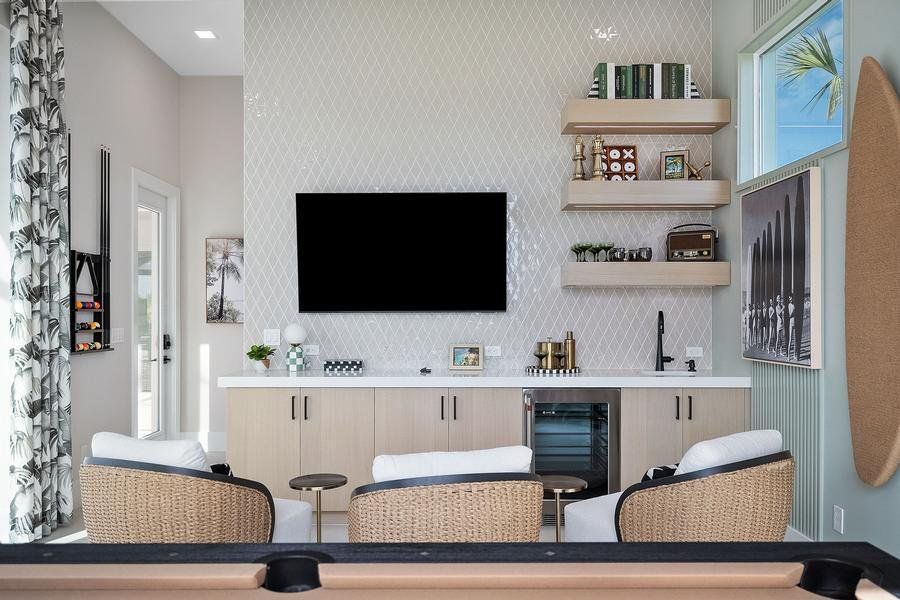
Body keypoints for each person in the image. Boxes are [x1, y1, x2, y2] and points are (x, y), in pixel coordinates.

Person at [786, 295, 796, 359]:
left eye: (791, 298)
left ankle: (794, 355)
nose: (790, 299)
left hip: (795, 322)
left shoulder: (794, 304)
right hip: (791, 322)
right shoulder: (789, 305)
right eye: (789, 298)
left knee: (795, 340)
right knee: (790, 339)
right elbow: (790, 315)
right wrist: (794, 311)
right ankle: (789, 356)